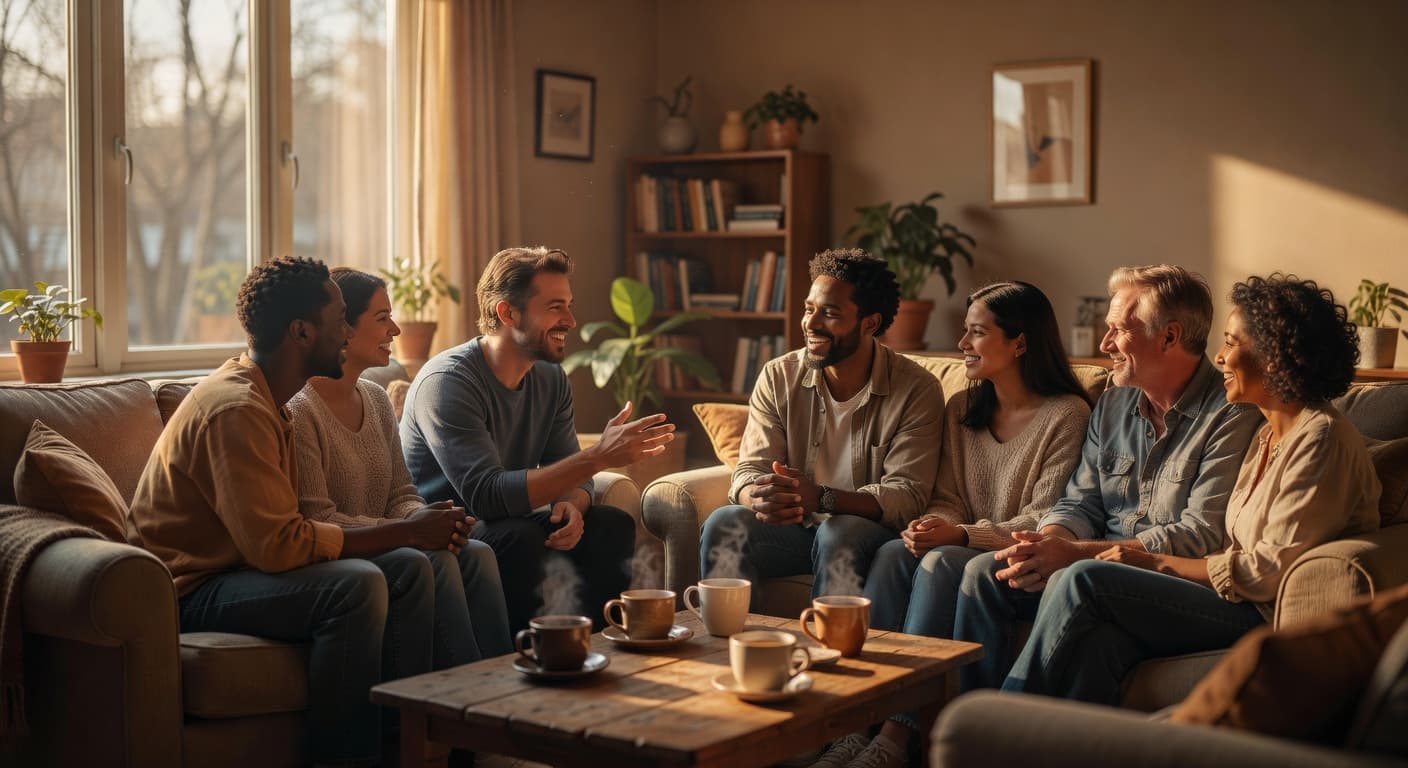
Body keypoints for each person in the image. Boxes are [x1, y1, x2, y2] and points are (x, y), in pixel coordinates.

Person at [130, 256, 466, 767]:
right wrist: (408, 530)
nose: (347, 334)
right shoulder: (237, 408)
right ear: (302, 332)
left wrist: (410, 535)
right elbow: (279, 546)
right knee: (355, 585)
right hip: (191, 589)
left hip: (240, 569)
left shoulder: (271, 398)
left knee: (409, 567)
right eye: (340, 322)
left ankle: (410, 749)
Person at [1003, 274, 1381, 703]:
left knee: (1084, 578)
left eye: (1231, 343)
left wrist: (1152, 561)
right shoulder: (1268, 436)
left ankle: (998, 717)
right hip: (1229, 596)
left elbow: (1266, 572)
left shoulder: (1321, 439)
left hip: (1260, 611)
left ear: (1274, 357)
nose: (1218, 357)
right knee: (1101, 644)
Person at [815, 282, 1092, 768]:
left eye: (977, 333)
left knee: (941, 561)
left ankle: (895, 738)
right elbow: (946, 498)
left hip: (1008, 552)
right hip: (958, 538)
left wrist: (961, 535)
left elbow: (1046, 517)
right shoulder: (961, 407)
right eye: (965, 331)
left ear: (1020, 343)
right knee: (893, 553)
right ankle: (855, 725)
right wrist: (931, 524)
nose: (962, 343)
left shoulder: (1067, 414)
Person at [951, 265, 1264, 692]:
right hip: (1101, 570)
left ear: (1169, 337)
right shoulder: (1113, 404)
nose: (1104, 343)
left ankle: (996, 720)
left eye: (1118, 330)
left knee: (1076, 576)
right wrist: (1046, 544)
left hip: (1175, 580)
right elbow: (1081, 502)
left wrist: (1075, 554)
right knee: (984, 573)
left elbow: (1200, 533)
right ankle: (964, 717)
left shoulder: (1231, 412)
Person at [400, 246, 673, 633]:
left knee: (610, 524)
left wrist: (573, 505)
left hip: (510, 520)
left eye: (569, 306)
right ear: (508, 313)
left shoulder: (549, 377)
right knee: (520, 536)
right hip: (450, 530)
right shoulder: (447, 382)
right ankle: (525, 657)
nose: (571, 321)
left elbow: (573, 472)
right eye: (555, 307)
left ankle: (593, 649)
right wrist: (598, 456)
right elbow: (486, 496)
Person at [698, 249, 945, 608]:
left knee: (839, 530)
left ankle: (829, 641)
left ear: (870, 323)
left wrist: (823, 498)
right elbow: (750, 469)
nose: (811, 324)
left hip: (867, 534)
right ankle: (727, 639)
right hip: (796, 531)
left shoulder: (916, 389)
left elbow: (906, 496)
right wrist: (760, 497)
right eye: (808, 308)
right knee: (725, 522)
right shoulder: (779, 376)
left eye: (829, 313)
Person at [289, 267, 513, 662]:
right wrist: (409, 531)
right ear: (342, 327)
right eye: (382, 318)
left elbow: (400, 493)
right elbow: (318, 519)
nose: (394, 329)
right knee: (430, 561)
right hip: (345, 553)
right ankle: (458, 690)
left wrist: (428, 518)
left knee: (476, 552)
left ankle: (502, 678)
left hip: (393, 536)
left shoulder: (376, 399)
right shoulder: (300, 410)